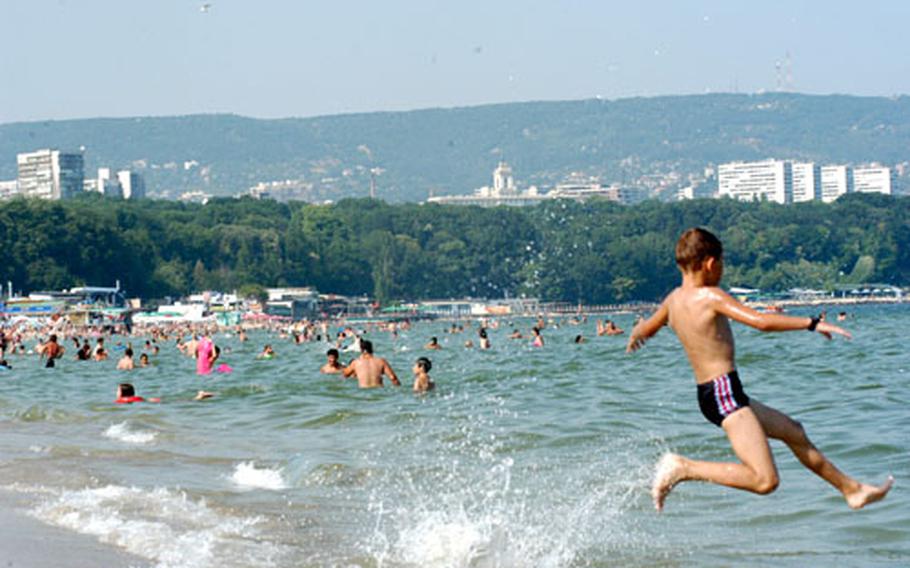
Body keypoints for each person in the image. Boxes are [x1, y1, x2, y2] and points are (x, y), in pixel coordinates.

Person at [626, 227, 892, 512]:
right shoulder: (710, 296)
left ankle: (851, 490)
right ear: (711, 264)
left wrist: (635, 336)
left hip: (717, 394)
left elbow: (647, 327)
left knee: (794, 432)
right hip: (724, 393)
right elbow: (761, 322)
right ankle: (683, 467)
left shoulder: (673, 301)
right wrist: (812, 323)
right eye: (722, 264)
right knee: (765, 480)